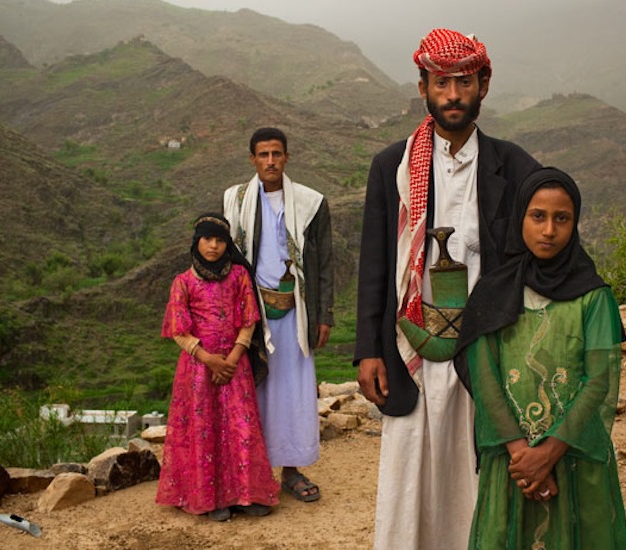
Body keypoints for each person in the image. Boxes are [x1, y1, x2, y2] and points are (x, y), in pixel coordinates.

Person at [354, 28, 542, 549]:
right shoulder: (392, 166)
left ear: (484, 84)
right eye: (442, 83)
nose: (453, 95)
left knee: (476, 474)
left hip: (486, 348)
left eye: (464, 82)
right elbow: (375, 264)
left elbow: (538, 254)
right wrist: (367, 351)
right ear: (423, 87)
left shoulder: (514, 165)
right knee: (410, 472)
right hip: (412, 342)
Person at [455, 167, 626, 549]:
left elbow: (599, 379)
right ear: (521, 218)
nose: (549, 230)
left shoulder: (594, 297)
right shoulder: (492, 293)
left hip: (573, 456)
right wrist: (523, 455)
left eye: (561, 218)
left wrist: (549, 453)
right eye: (538, 216)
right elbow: (484, 378)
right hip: (512, 462)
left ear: (575, 223)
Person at [223, 127, 333, 503]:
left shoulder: (310, 202)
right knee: (253, 389)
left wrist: (324, 315)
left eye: (277, 154)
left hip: (296, 312)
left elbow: (323, 264)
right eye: (263, 155)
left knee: (293, 391)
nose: (270, 161)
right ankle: (252, 472)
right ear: (252, 159)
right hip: (251, 315)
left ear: (287, 157)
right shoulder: (235, 200)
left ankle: (290, 470)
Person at [156, 213, 279, 521]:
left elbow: (249, 319)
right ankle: (209, 498)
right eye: (207, 239)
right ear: (196, 242)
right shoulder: (182, 282)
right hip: (199, 369)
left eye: (220, 240)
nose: (213, 246)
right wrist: (209, 359)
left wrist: (234, 358)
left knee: (240, 427)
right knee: (205, 430)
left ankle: (246, 494)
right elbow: (178, 330)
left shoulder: (238, 276)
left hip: (234, 366)